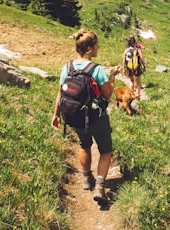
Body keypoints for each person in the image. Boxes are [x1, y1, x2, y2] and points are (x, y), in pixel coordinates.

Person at [51, 29, 121, 205]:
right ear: (89, 48)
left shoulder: (67, 67)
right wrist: (112, 77)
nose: (98, 48)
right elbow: (106, 95)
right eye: (96, 45)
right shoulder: (96, 69)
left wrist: (56, 114)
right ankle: (100, 186)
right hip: (97, 116)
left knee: (84, 145)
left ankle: (86, 179)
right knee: (105, 150)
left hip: (75, 116)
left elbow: (60, 93)